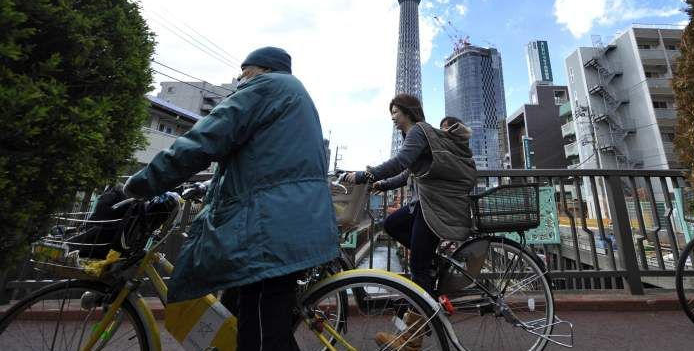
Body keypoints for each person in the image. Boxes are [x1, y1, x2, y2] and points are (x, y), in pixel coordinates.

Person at [124, 46, 338, 351]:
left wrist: (144, 183)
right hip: (291, 220)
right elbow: (264, 161)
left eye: (245, 71)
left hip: (269, 229)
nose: (241, 78)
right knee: (243, 318)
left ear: (261, 68)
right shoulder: (293, 93)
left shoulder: (266, 87)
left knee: (260, 334)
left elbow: (204, 138)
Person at [345, 95, 476, 350]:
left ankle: (413, 339)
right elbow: (409, 172)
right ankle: (427, 264)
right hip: (421, 206)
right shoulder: (418, 135)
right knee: (392, 223)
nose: (392, 117)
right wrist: (384, 183)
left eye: (395, 111)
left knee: (417, 268)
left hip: (430, 208)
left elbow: (399, 162)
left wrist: (364, 175)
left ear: (407, 111)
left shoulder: (417, 130)